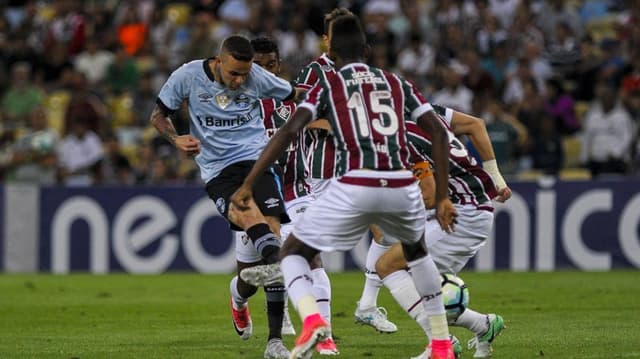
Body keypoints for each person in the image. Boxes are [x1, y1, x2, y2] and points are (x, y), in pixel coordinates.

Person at [232, 15, 457, 359]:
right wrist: (442, 197)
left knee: (292, 254)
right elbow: (439, 133)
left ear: (331, 53)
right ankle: (441, 343)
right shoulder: (398, 83)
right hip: (401, 184)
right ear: (367, 50)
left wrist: (248, 183)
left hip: (355, 182)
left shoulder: (329, 85)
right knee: (417, 254)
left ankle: (312, 322)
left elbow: (288, 132)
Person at [150, 35, 298, 359]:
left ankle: (275, 343)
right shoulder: (187, 76)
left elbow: (295, 94)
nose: (240, 80)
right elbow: (158, 115)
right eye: (233, 74)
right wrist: (175, 139)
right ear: (218, 62)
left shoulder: (256, 77)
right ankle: (241, 295)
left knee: (272, 233)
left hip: (257, 162)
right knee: (249, 222)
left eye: (245, 74)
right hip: (218, 170)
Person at [374, 107, 511, 359]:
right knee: (420, 284)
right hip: (467, 208)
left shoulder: (397, 137)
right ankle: (483, 325)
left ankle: (441, 344)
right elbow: (476, 124)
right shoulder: (426, 112)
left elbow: (428, 193)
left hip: (462, 213)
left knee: (388, 266)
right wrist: (496, 178)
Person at [293, 7, 397, 334]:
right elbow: (297, 112)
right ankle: (284, 305)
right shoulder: (314, 71)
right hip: (323, 170)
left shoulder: (362, 73)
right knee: (306, 251)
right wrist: (335, 126)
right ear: (326, 41)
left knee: (385, 232)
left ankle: (367, 305)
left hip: (358, 164)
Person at [251, 36, 340, 356]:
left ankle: (324, 335)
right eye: (256, 66)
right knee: (250, 276)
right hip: (258, 195)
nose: (263, 71)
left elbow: (332, 117)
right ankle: (244, 304)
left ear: (280, 65)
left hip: (297, 190)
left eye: (270, 65)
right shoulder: (239, 101)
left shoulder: (298, 98)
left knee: (311, 256)